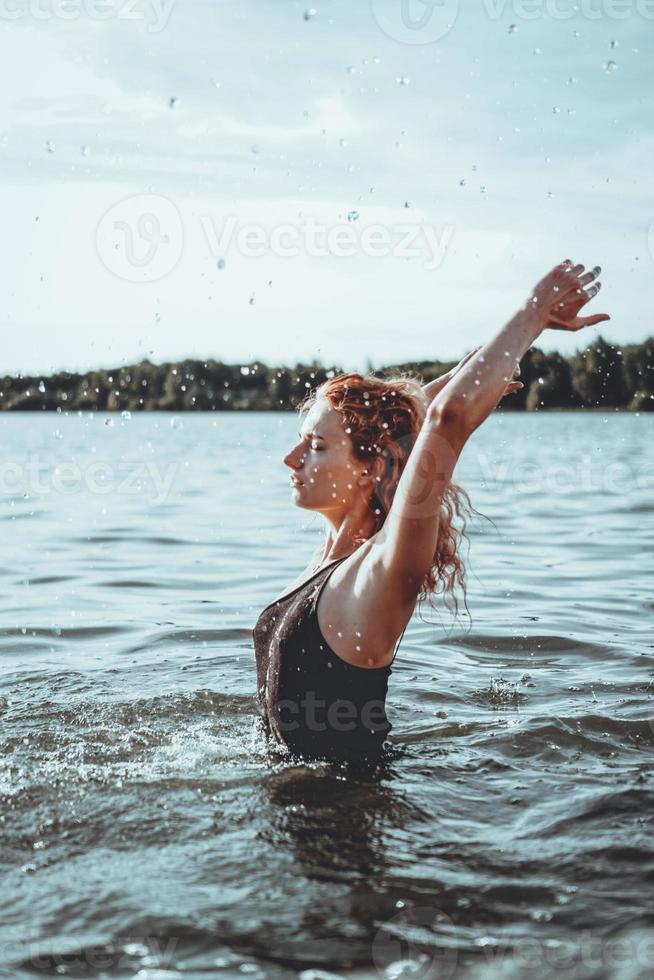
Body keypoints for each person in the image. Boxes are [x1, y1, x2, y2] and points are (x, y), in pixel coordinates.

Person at [253, 259, 609, 765]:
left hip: (345, 821)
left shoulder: (380, 569)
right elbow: (410, 415)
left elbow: (447, 419)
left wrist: (533, 315)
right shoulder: (332, 560)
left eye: (314, 445)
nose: (291, 459)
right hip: (294, 814)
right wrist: (467, 368)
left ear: (370, 468)